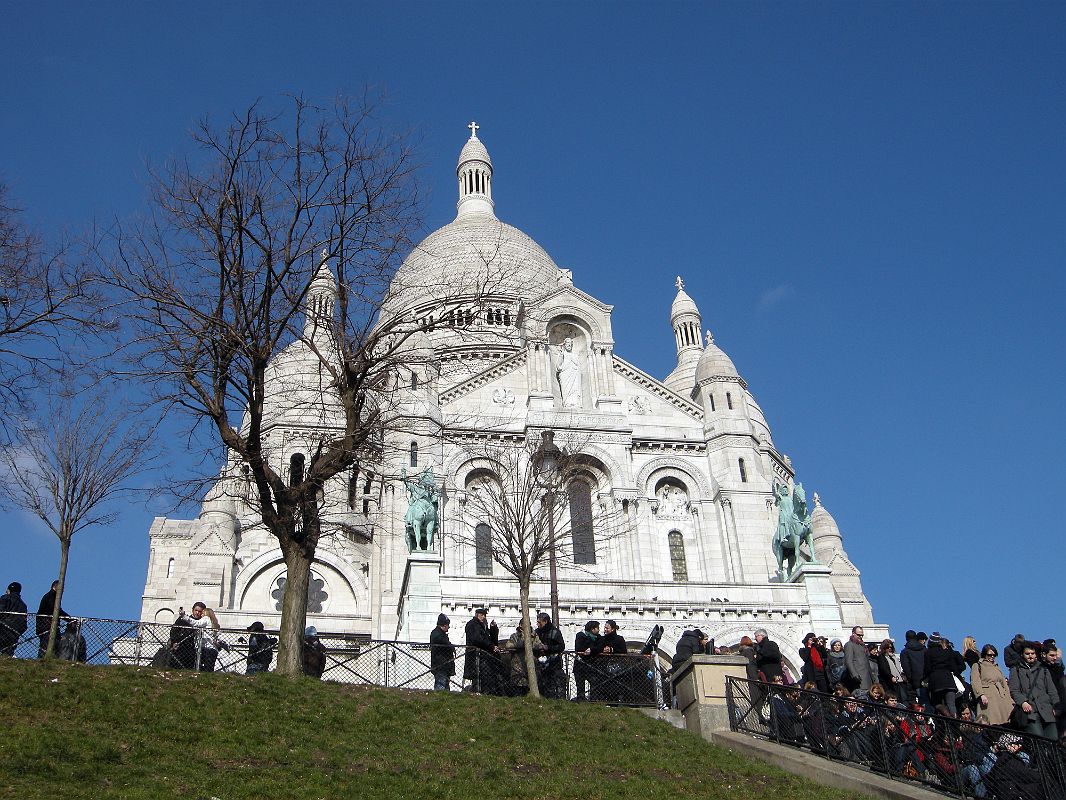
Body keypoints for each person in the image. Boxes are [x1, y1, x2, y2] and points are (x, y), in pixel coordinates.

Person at [1008, 641, 1060, 740]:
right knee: (1038, 741)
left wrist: (1056, 706)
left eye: (1032, 653)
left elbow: (1052, 691)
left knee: (1053, 742)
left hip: (1047, 712)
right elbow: (1014, 690)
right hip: (1030, 713)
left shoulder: (1043, 670)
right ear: (1022, 654)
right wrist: (1023, 702)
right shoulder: (1016, 670)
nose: (1030, 656)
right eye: (1027, 654)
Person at [970, 644, 1013, 726]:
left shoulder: (997, 667)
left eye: (994, 655)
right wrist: (981, 695)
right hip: (989, 697)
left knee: (1007, 722)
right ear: (984, 654)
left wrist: (1010, 699)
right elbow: (975, 681)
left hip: (1002, 697)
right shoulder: (978, 665)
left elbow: (1004, 684)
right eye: (989, 655)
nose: (992, 657)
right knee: (991, 722)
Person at [925, 632, 965, 717]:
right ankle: (954, 723)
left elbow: (927, 668)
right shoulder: (946, 652)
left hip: (936, 682)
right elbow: (954, 667)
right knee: (951, 704)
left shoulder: (928, 652)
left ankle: (947, 717)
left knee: (936, 703)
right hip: (949, 680)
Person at [464, 608, 497, 694]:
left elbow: (490, 639)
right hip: (475, 656)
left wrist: (493, 629)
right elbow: (478, 639)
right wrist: (491, 646)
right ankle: (477, 692)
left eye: (484, 615)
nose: (484, 617)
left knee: (484, 677)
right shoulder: (472, 625)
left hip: (483, 657)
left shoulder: (482, 626)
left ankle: (483, 693)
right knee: (477, 677)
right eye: (482, 615)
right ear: (477, 615)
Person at [533, 612, 566, 698]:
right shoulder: (537, 632)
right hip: (540, 664)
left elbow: (561, 646)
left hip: (554, 663)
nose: (537, 624)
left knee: (555, 684)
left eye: (539, 622)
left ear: (545, 621)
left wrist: (549, 648)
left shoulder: (555, 632)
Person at [35, 580, 69, 658]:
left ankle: (47, 659)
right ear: (55, 587)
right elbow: (56, 610)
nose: (63, 591)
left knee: (51, 646)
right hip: (47, 627)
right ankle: (44, 660)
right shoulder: (51, 596)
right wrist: (69, 619)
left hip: (47, 626)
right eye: (62, 588)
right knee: (46, 646)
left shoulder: (51, 596)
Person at [186, 602, 220, 671]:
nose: (200, 614)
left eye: (202, 612)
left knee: (200, 667)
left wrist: (184, 617)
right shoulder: (214, 623)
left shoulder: (206, 618)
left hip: (205, 648)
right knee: (209, 669)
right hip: (213, 650)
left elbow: (196, 623)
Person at [574, 620, 601, 701]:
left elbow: (599, 647)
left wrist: (591, 650)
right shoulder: (581, 636)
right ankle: (581, 700)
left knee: (594, 684)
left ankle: (593, 700)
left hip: (591, 666)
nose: (599, 630)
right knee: (580, 685)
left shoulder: (598, 638)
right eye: (597, 628)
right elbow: (578, 648)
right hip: (580, 666)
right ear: (592, 629)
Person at [0, 582, 28, 656]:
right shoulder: (23, 605)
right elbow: (24, 624)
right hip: (15, 632)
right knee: (7, 653)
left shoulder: (5, 598)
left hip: (3, 629)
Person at [502, 623, 530, 697]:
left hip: (529, 665)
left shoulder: (533, 635)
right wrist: (519, 645)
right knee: (518, 686)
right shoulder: (515, 636)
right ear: (520, 625)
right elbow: (508, 645)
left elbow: (538, 644)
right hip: (517, 665)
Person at [900, 630, 927, 705]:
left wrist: (910, 678)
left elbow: (906, 667)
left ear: (906, 638)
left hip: (914, 681)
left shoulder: (905, 652)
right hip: (926, 679)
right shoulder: (924, 649)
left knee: (919, 702)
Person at [429, 613, 455, 691]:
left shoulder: (438, 633)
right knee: (441, 686)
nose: (448, 628)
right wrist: (451, 647)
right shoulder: (438, 634)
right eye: (448, 625)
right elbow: (445, 644)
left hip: (443, 664)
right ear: (444, 625)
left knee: (444, 685)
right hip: (441, 664)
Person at [844, 625, 873, 693]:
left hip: (868, 678)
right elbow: (848, 661)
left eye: (862, 635)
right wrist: (854, 675)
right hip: (858, 678)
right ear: (853, 633)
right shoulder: (849, 645)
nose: (860, 637)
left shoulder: (862, 646)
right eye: (858, 635)